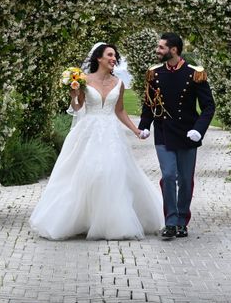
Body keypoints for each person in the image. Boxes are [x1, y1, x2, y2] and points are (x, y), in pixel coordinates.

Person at [29, 43, 165, 240]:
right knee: (87, 174)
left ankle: (111, 222)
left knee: (112, 173)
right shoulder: (83, 80)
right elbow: (78, 108)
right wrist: (74, 96)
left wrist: (136, 130)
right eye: (109, 55)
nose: (113, 59)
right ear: (99, 58)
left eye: (115, 56)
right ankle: (82, 219)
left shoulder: (118, 83)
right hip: (88, 133)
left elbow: (119, 111)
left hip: (111, 133)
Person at [138, 32, 215, 240]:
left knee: (185, 180)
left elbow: (208, 107)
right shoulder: (155, 74)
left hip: (188, 134)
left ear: (174, 50)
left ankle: (182, 220)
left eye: (161, 47)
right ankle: (171, 222)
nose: (157, 50)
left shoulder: (194, 73)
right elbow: (149, 103)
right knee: (169, 175)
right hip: (163, 133)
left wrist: (199, 130)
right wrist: (145, 125)